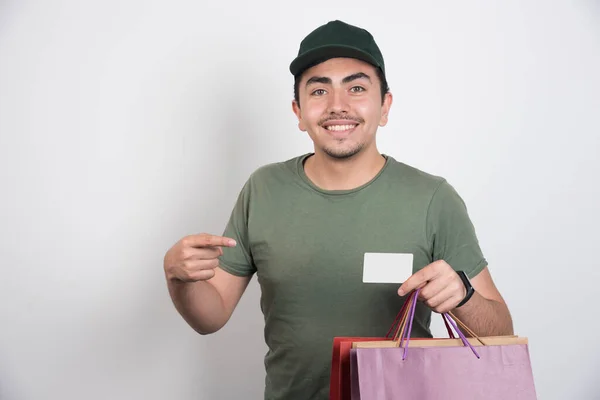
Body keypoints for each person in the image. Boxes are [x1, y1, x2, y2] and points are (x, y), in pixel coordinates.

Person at [163, 19, 514, 400]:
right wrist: (178, 279)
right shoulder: (263, 189)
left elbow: (500, 334)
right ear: (299, 111)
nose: (337, 106)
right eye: (319, 90)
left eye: (357, 87)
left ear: (385, 106)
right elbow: (210, 317)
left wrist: (463, 295)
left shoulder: (433, 198)